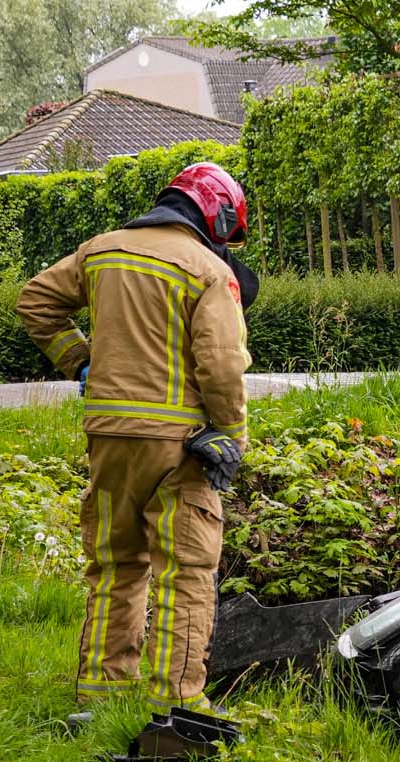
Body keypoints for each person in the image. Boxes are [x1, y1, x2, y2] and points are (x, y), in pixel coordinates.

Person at [16, 162, 256, 716]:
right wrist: (231, 433)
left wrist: (80, 362)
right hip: (181, 444)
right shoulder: (205, 268)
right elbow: (220, 363)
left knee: (115, 564)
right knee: (187, 569)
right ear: (217, 216)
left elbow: (36, 302)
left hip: (108, 436)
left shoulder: (101, 250)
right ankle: (178, 705)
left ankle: (102, 701)